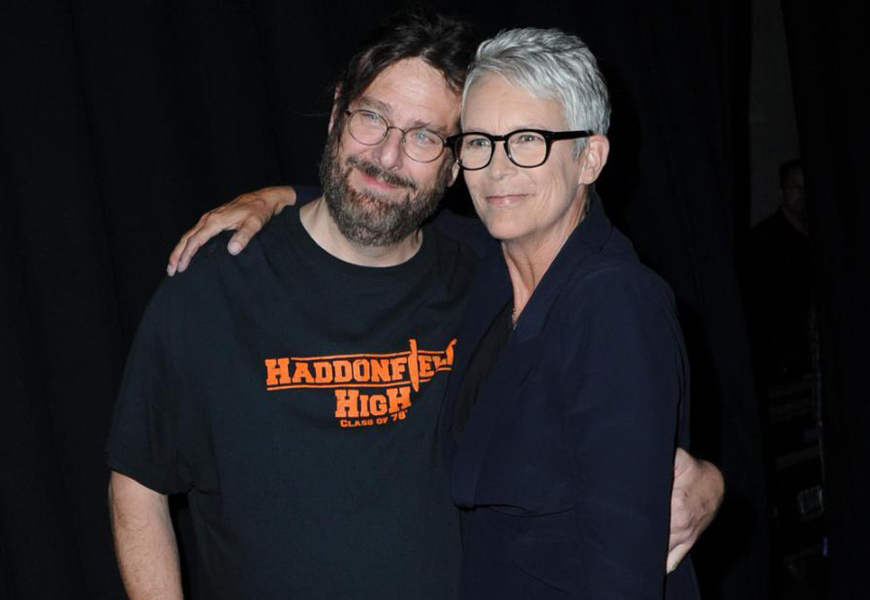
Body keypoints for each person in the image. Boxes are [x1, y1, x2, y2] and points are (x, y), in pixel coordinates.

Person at [110, 10, 721, 600]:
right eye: (372, 118)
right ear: (336, 115)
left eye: (426, 136)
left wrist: (711, 485)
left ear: (452, 166)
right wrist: (279, 197)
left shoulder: (480, 272)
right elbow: (138, 481)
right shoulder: (219, 281)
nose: (388, 154)